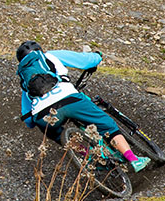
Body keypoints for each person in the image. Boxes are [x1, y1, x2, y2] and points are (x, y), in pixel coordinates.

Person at [15, 41, 151, 172]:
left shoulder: (24, 79)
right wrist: (98, 56)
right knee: (107, 125)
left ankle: (91, 156)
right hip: (69, 99)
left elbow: (28, 119)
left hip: (42, 114)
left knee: (61, 137)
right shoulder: (51, 55)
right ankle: (133, 159)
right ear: (40, 50)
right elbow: (85, 61)